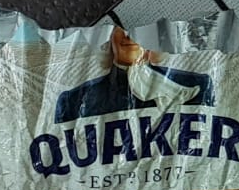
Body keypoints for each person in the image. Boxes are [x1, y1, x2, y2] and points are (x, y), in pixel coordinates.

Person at [53, 27, 213, 123]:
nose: (130, 35)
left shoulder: (196, 85)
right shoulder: (72, 101)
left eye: (141, 29)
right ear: (109, 38)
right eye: (121, 28)